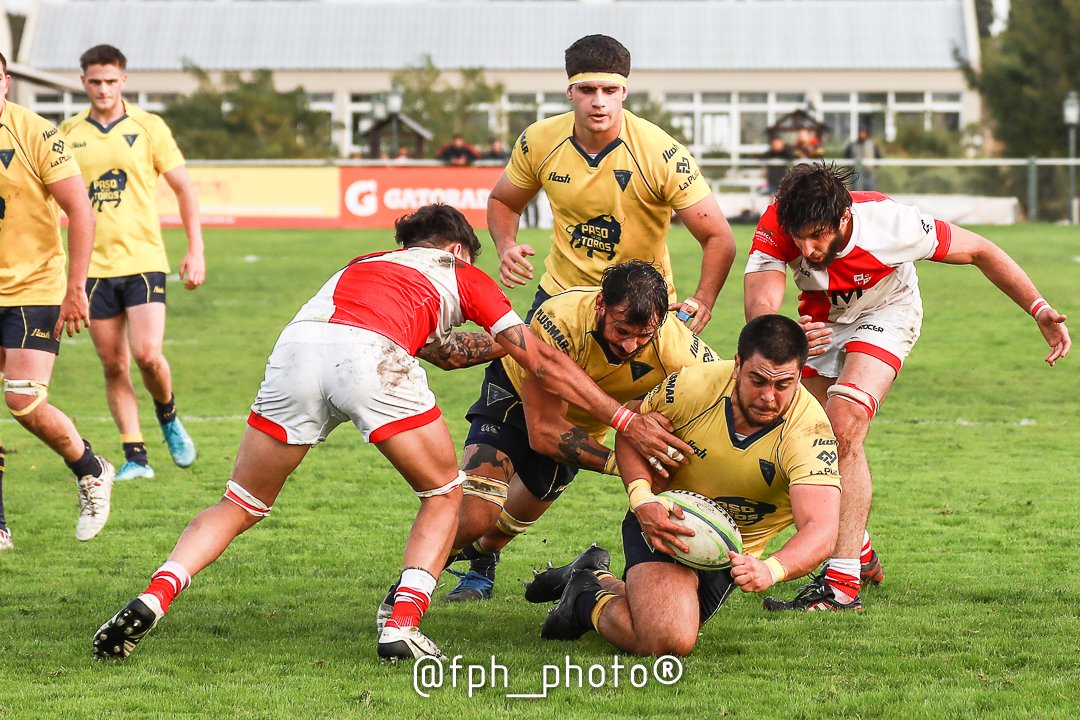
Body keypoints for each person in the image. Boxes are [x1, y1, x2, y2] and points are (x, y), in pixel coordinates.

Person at [92, 204, 690, 662]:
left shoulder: (363, 265)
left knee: (240, 501)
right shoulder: (462, 273)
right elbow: (541, 361)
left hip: (298, 348)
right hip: (370, 356)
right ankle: (402, 622)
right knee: (443, 494)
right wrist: (623, 419)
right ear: (458, 248)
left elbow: (449, 352)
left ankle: (156, 595)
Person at [743, 163, 1071, 610]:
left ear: (843, 218)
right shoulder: (776, 223)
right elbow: (760, 308)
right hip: (819, 323)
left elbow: (981, 251)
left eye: (817, 235)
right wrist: (788, 332)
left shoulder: (891, 225)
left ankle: (840, 586)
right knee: (810, 440)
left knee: (844, 426)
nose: (807, 248)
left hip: (886, 314)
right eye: (797, 237)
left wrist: (1039, 309)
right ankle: (856, 544)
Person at [528, 314, 841, 655]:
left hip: (727, 553)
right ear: (737, 366)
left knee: (659, 623)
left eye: (783, 385)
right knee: (666, 640)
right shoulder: (694, 387)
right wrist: (642, 498)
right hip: (664, 520)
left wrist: (772, 568)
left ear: (799, 376)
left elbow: (822, 528)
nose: (769, 397)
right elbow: (633, 432)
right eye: (758, 380)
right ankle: (584, 602)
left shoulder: (809, 431)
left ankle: (589, 581)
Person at [430, 261, 710, 604]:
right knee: (476, 514)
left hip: (582, 427)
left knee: (495, 534)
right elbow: (544, 432)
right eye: (622, 331)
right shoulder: (561, 317)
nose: (630, 345)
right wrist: (625, 464)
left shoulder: (678, 348)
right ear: (600, 305)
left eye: (643, 336)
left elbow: (724, 388)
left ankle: (538, 567)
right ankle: (407, 591)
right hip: (516, 397)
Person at [489, 34, 736, 332]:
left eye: (609, 90)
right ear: (570, 91)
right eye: (587, 90)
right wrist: (506, 245)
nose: (598, 102)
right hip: (561, 296)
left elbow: (718, 237)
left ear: (624, 93)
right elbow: (503, 201)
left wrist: (703, 300)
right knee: (510, 375)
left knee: (678, 379)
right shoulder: (538, 140)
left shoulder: (661, 152)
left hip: (641, 303)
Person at [61, 45, 204, 482]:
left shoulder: (148, 126)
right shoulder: (66, 133)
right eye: (94, 81)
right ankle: (136, 456)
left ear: (123, 80)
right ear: (83, 82)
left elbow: (183, 188)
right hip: (93, 269)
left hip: (143, 260)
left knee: (147, 355)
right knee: (113, 365)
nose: (103, 89)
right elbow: (53, 203)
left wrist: (195, 248)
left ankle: (167, 414)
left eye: (110, 81)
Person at [0, 51, 115, 550]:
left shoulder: (37, 133)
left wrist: (75, 289)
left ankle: (90, 468)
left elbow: (80, 212)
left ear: (5, 81)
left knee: (23, 401)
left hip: (34, 287)